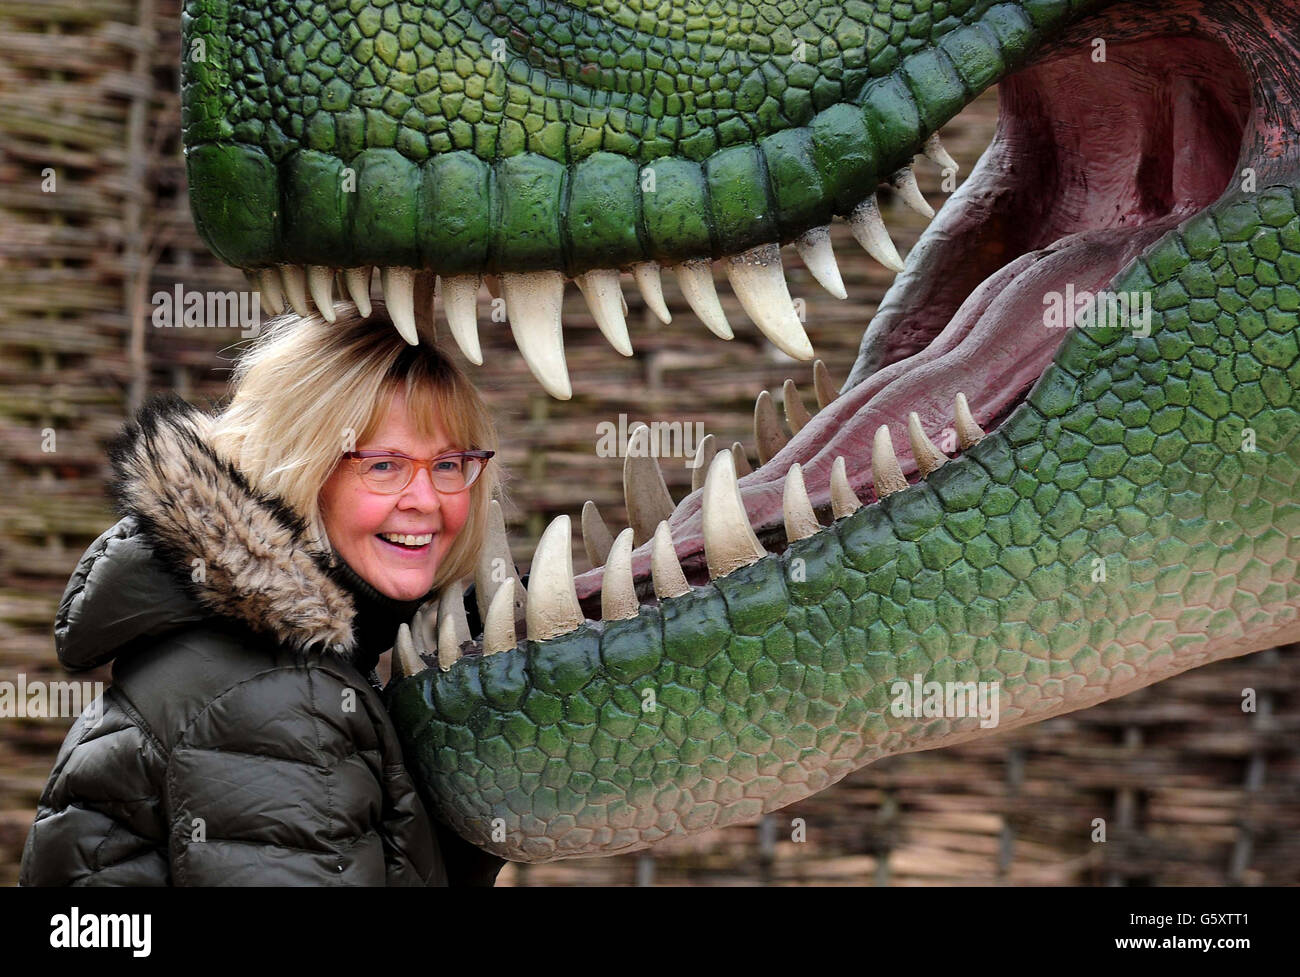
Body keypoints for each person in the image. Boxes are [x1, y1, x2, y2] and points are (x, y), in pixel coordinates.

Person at [19, 304, 509, 885]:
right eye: (383, 465)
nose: (427, 500)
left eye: (449, 464)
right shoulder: (277, 698)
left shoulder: (263, 659)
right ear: (299, 466)